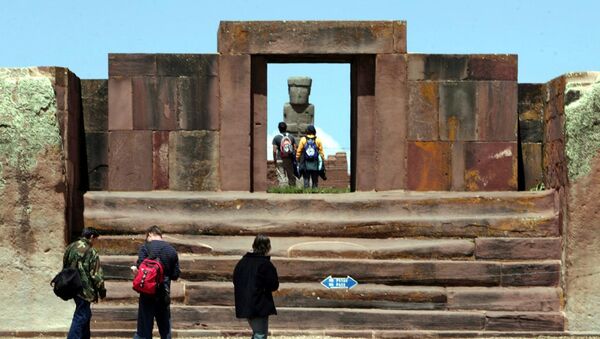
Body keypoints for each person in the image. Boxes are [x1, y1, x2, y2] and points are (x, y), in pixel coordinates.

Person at [133, 225, 180, 339]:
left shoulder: (145, 247)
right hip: (163, 292)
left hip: (147, 293)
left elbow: (140, 266)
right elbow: (175, 275)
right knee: (165, 328)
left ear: (150, 234)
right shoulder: (171, 251)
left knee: (144, 328)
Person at [233, 235, 279, 339]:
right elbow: (273, 285)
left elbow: (235, 280)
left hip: (244, 303)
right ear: (268, 247)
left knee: (257, 333)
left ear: (254, 245)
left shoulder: (242, 262)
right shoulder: (265, 264)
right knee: (260, 334)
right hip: (258, 305)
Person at [63, 228, 106, 339]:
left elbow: (65, 266)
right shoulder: (91, 251)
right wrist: (102, 291)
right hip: (85, 289)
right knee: (81, 316)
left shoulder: (71, 247)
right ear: (91, 236)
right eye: (96, 239)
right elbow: (96, 275)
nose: (96, 242)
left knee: (85, 314)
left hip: (72, 287)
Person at [295, 125, 325, 189]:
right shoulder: (318, 140)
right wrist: (322, 161)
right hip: (315, 163)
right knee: (315, 180)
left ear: (307, 131)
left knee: (306, 179)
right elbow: (321, 153)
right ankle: (315, 192)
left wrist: (297, 159)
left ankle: (306, 193)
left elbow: (299, 151)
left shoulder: (303, 140)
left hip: (305, 164)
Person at [271, 121, 297, 187]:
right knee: (291, 175)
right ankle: (292, 190)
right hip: (289, 159)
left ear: (279, 128)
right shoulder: (291, 137)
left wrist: (275, 160)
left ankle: (282, 191)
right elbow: (295, 149)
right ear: (286, 128)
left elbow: (274, 150)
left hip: (280, 159)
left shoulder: (276, 138)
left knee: (281, 176)